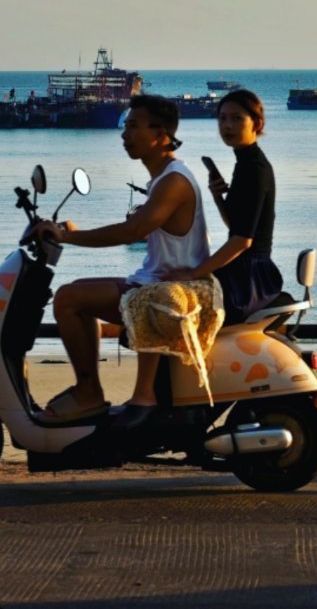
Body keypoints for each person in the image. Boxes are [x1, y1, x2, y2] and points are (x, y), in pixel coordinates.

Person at [33, 95, 210, 428]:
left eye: (133, 126)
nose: (124, 134)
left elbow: (133, 230)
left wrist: (68, 237)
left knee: (68, 299)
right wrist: (71, 232)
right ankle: (89, 389)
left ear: (161, 135)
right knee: (75, 291)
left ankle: (89, 392)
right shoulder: (164, 178)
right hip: (159, 279)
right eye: (125, 126)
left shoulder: (173, 181)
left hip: (172, 288)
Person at [162, 89, 283, 320]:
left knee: (164, 306)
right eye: (223, 118)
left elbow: (243, 241)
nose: (227, 125)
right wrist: (218, 197)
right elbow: (237, 226)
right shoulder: (246, 162)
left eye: (237, 118)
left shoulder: (254, 169)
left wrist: (194, 273)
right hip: (245, 271)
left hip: (248, 279)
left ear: (257, 123)